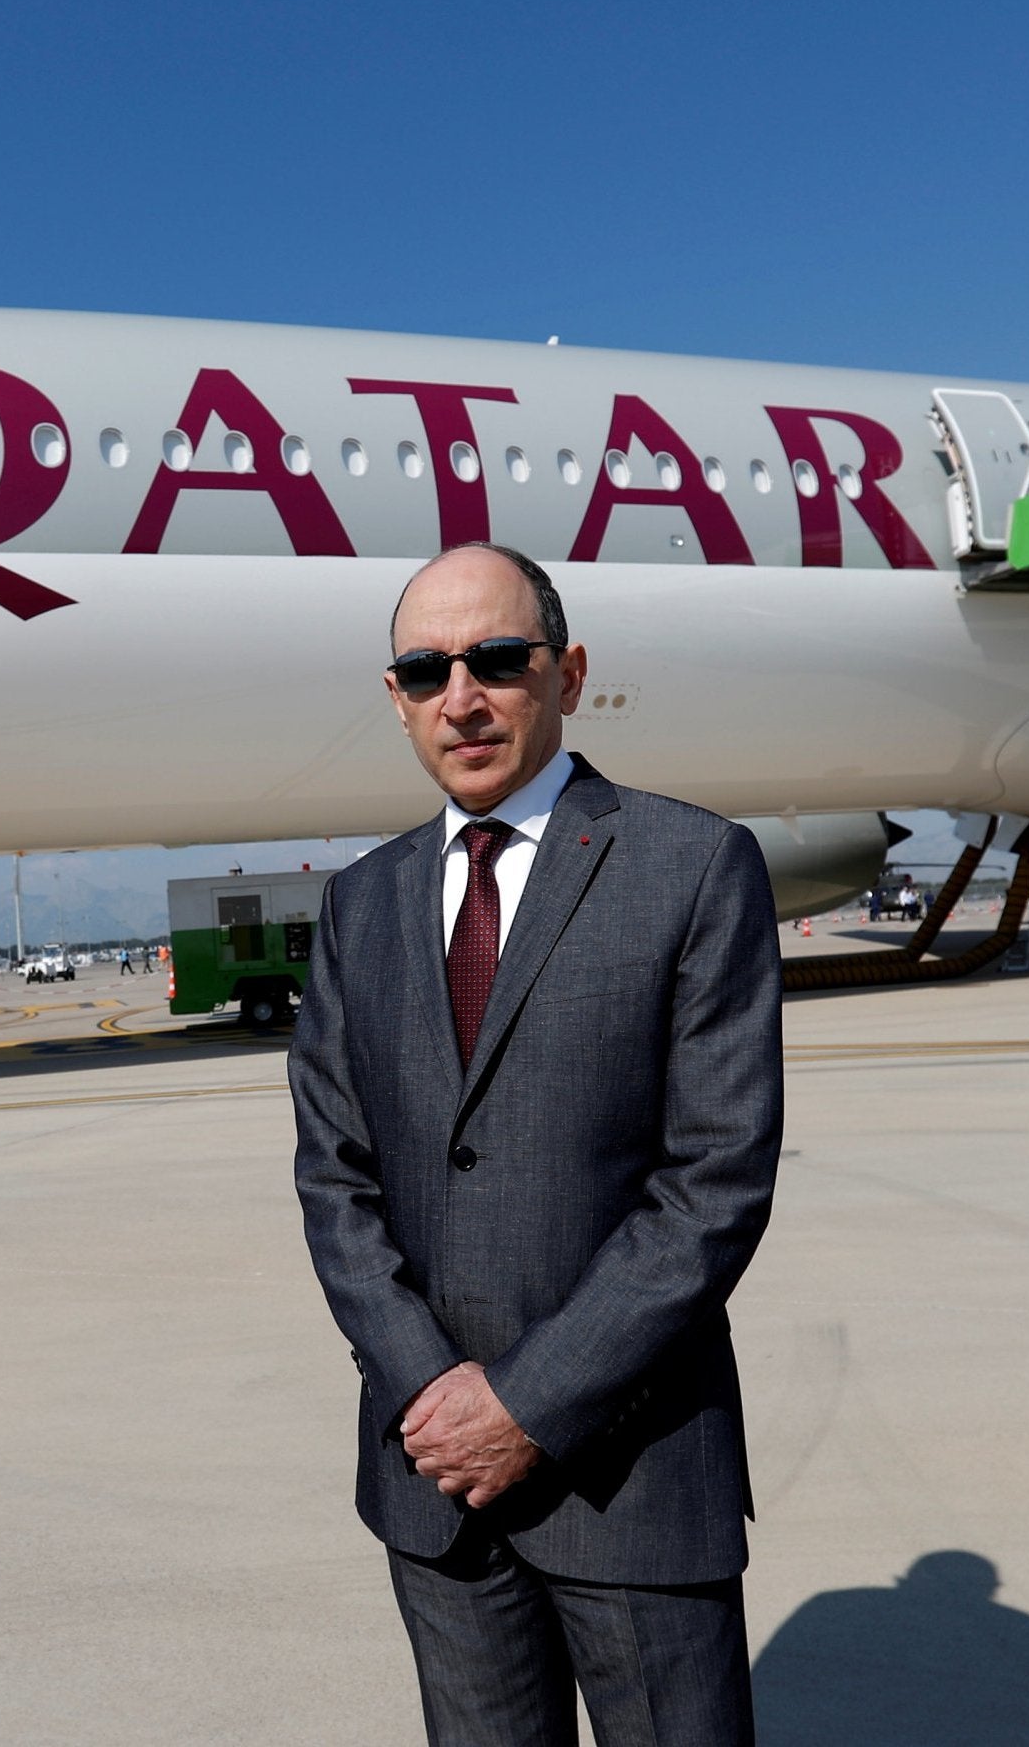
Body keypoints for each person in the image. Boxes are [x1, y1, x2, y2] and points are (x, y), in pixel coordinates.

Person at [291, 543, 783, 1746]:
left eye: (495, 660)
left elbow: (711, 1183)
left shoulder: (690, 866)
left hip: (632, 1473)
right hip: (433, 1485)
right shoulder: (359, 904)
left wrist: (527, 1401)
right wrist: (430, 1395)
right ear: (396, 697)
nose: (460, 697)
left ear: (564, 672)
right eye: (423, 671)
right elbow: (333, 1180)